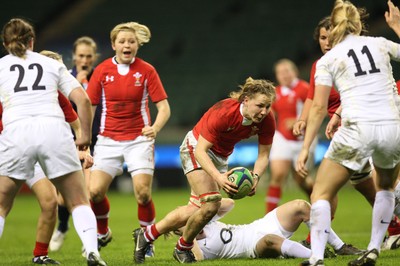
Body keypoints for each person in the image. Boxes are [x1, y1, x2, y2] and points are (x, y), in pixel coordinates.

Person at [296, 1, 400, 265]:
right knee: (386, 187)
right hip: (392, 127)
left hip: (357, 128)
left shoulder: (328, 58)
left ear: (334, 27)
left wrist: (306, 147)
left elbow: (318, 107)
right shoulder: (379, 43)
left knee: (320, 193)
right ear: (358, 24)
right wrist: (397, 26)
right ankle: (374, 248)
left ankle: (316, 257)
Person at [133, 77, 276, 264]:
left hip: (221, 157)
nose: (264, 111)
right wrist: (219, 177)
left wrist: (255, 177)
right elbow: (201, 151)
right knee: (211, 204)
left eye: (268, 107)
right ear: (246, 100)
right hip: (195, 148)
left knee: (195, 210)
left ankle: (146, 235)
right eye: (260, 106)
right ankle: (182, 248)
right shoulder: (224, 112)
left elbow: (264, 155)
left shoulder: (267, 120)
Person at [0, 18, 106, 265]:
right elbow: (83, 100)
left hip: (17, 133)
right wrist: (84, 139)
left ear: (6, 43)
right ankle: (92, 252)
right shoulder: (50, 64)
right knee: (79, 200)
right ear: (32, 41)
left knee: (2, 205)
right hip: (54, 132)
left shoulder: (1, 66)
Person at [85, 22, 170, 257]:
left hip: (138, 139)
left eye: (131, 41)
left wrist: (155, 127)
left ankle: (147, 240)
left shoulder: (147, 70)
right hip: (107, 139)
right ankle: (103, 232)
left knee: (143, 193)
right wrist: (85, 141)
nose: (127, 45)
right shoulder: (102, 71)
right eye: (122, 41)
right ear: (113, 44)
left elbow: (164, 108)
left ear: (137, 45)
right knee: (94, 193)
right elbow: (89, 107)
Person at [50, 36, 100, 253]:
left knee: (88, 191)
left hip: (96, 139)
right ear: (74, 57)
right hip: (68, 138)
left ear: (94, 57)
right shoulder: (63, 77)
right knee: (62, 195)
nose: (85, 60)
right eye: (81, 55)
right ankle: (62, 226)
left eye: (89, 56)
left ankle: (88, 240)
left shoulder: (102, 77)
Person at [190, 198, 350, 261]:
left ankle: (340, 247)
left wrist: (202, 205)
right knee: (270, 239)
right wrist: (188, 238)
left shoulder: (207, 221)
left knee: (300, 206)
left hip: (258, 226)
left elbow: (229, 203)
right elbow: (198, 260)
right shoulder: (195, 248)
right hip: (252, 247)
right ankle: (316, 256)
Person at [265, 58, 315, 213]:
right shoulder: (275, 93)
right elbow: (270, 114)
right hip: (282, 138)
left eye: (287, 71)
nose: (284, 75)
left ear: (295, 72)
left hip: (304, 141)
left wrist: (300, 121)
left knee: (301, 180)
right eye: (280, 72)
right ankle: (268, 218)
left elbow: (319, 111)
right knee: (278, 175)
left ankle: (317, 203)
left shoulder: (305, 89)